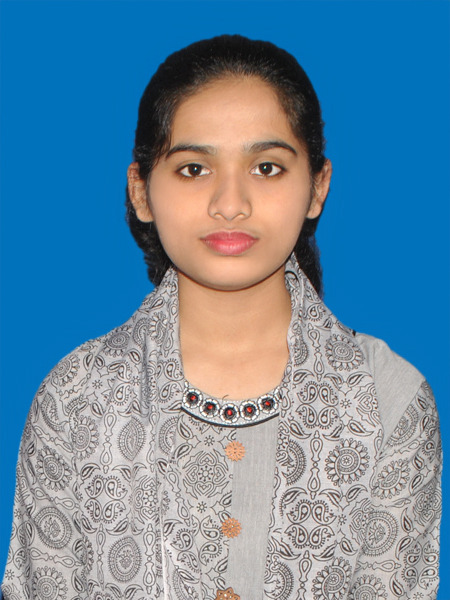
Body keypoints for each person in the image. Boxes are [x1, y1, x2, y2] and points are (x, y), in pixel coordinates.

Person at [1, 35, 441, 600]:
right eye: (193, 169)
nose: (230, 203)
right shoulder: (76, 402)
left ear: (318, 187)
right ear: (141, 192)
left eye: (266, 167)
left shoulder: (388, 401)